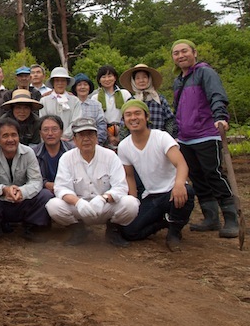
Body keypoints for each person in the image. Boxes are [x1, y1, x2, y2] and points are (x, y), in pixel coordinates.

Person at [171, 39, 237, 238]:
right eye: (176, 53)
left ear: (195, 52)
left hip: (206, 134)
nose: (181, 55)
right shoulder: (178, 81)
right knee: (198, 177)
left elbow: (217, 95)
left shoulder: (205, 73)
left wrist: (220, 117)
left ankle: (231, 217)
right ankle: (211, 218)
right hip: (185, 138)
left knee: (214, 174)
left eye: (184, 51)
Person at [45, 118, 140, 247]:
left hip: (105, 206)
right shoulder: (66, 158)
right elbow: (61, 188)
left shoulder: (110, 156)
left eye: (90, 134)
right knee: (54, 205)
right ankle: (78, 230)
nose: (86, 139)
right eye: (81, 135)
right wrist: (78, 202)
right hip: (79, 207)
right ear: (74, 140)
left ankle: (114, 229)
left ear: (96, 137)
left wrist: (103, 198)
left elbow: (121, 187)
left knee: (131, 203)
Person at [118, 100, 195, 251]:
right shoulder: (124, 146)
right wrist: (133, 200)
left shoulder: (161, 137)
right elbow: (129, 176)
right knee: (129, 232)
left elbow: (181, 164)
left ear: (146, 117)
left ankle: (174, 232)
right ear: (124, 120)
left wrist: (179, 184)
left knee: (188, 192)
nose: (133, 118)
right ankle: (165, 221)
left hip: (171, 192)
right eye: (128, 115)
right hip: (151, 196)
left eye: (137, 113)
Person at [0, 119, 54, 242]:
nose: (10, 140)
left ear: (19, 137)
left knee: (45, 195)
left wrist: (22, 191)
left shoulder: (28, 153)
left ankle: (31, 227)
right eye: (5, 136)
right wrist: (4, 190)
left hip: (23, 201)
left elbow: (36, 181)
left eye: (14, 135)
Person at [119, 64, 177, 137]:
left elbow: (170, 120)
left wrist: (169, 138)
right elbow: (124, 125)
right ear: (133, 81)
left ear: (149, 79)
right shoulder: (131, 102)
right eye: (138, 78)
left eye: (144, 77)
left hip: (159, 140)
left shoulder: (160, 99)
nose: (141, 80)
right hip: (137, 141)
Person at [91, 65, 132, 150]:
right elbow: (94, 119)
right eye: (103, 77)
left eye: (110, 76)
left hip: (124, 129)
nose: (107, 79)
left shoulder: (125, 94)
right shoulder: (95, 97)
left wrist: (120, 135)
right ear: (99, 80)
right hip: (103, 131)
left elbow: (129, 112)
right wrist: (108, 135)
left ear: (115, 77)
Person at [32, 115, 75, 193]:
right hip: (44, 191)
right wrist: (46, 184)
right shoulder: (33, 153)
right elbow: (31, 177)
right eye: (45, 130)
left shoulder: (72, 151)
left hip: (69, 189)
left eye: (54, 129)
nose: (50, 133)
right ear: (40, 133)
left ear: (61, 132)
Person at [39, 67, 83, 140]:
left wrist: (65, 136)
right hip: (49, 139)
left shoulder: (75, 100)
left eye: (63, 81)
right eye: (57, 81)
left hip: (70, 140)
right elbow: (43, 122)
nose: (60, 83)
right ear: (53, 83)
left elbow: (76, 121)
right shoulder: (44, 101)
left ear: (67, 82)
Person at [71, 73, 108, 145]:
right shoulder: (69, 104)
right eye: (79, 85)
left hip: (94, 143)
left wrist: (97, 141)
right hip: (72, 144)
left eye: (85, 84)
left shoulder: (96, 105)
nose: (82, 87)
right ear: (75, 88)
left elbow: (101, 124)